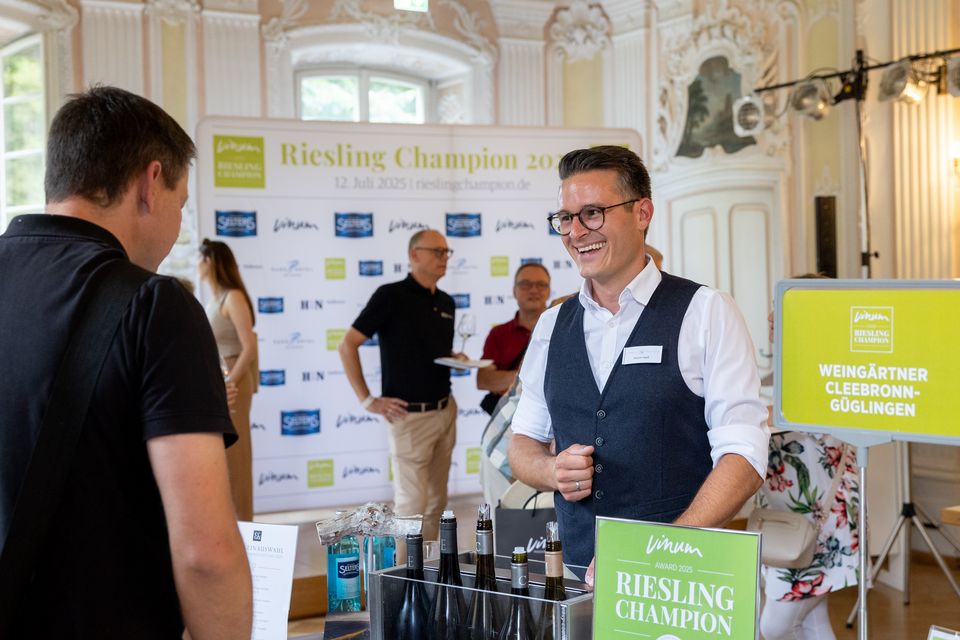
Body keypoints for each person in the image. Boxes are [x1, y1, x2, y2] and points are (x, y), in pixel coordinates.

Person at [0, 86, 252, 638]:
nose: (177, 229)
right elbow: (206, 553)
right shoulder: (155, 306)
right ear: (149, 182)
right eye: (180, 204)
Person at [507, 145, 769, 582]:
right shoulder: (553, 325)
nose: (576, 232)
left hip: (681, 580)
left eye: (593, 213)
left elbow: (744, 455)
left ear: (642, 212)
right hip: (575, 575)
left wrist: (661, 550)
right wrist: (551, 470)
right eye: (566, 218)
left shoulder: (706, 311)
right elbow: (522, 444)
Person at [338, 228, 460, 542]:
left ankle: (428, 568)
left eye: (446, 252)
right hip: (409, 417)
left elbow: (430, 353)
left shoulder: (446, 301)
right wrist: (367, 400)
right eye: (437, 251)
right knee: (411, 508)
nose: (444, 258)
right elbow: (347, 344)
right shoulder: (390, 296)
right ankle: (402, 572)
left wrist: (456, 358)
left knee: (437, 504)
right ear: (413, 255)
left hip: (445, 410)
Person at [759, 276, 859, 640]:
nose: (771, 317)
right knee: (811, 622)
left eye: (782, 308)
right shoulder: (792, 368)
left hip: (819, 521)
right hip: (794, 520)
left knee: (773, 627)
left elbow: (783, 420)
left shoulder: (826, 368)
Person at [199, 238, 258, 521]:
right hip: (219, 380)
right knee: (224, 455)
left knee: (236, 456)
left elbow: (249, 347)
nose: (197, 265)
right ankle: (230, 523)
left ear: (210, 261)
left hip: (233, 378)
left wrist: (229, 383)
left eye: (199, 259)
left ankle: (243, 524)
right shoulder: (215, 298)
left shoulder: (232, 297)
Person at [476, 262, 551, 414]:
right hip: (510, 418)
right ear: (514, 291)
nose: (534, 290)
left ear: (549, 291)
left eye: (541, 284)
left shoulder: (563, 329)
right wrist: (535, 376)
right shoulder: (498, 333)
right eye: (525, 284)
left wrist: (508, 379)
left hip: (553, 417)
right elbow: (483, 380)